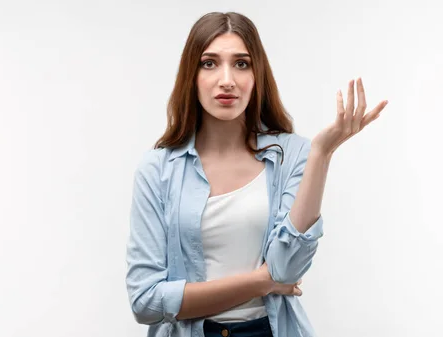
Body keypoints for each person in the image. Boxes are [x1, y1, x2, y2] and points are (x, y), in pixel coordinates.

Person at [125, 11, 388, 337]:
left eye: (241, 63)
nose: (227, 80)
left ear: (257, 74)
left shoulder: (293, 153)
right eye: (209, 63)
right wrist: (262, 281)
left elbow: (288, 267)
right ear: (191, 76)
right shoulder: (157, 170)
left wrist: (322, 154)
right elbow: (146, 301)